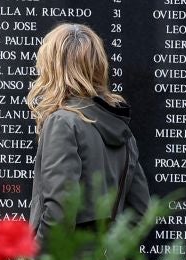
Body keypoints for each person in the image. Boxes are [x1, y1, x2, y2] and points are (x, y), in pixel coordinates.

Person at [27, 22, 151, 245]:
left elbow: (58, 211)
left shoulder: (63, 122)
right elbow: (141, 212)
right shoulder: (121, 128)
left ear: (54, 67)